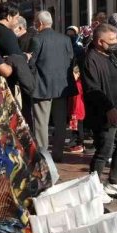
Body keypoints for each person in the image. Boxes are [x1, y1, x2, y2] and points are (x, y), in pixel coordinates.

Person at [81, 24, 117, 199]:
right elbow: (92, 89)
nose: (115, 43)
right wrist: (108, 108)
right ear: (99, 41)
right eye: (111, 40)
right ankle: (94, 188)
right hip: (105, 114)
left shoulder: (110, 55)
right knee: (104, 150)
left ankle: (115, 180)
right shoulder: (90, 59)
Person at [28, 11, 75, 160]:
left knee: (41, 123)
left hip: (42, 86)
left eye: (36, 22)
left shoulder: (36, 39)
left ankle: (43, 155)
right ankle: (58, 153)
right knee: (60, 123)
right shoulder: (65, 39)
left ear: (40, 23)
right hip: (61, 86)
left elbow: (31, 63)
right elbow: (71, 60)